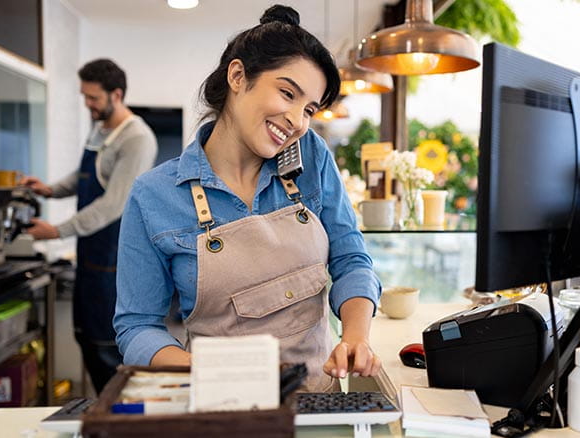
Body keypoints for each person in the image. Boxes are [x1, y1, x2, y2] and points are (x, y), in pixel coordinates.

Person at [113, 5, 382, 392]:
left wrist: (356, 336)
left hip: (314, 404)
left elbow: (350, 259)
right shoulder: (153, 195)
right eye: (287, 93)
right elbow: (136, 326)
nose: (297, 121)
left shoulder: (312, 157)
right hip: (220, 404)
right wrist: (206, 374)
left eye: (309, 109)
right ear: (238, 76)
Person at [21, 59, 158, 393]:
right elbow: (82, 177)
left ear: (116, 94)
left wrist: (56, 230)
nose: (88, 105)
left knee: (108, 349)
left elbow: (113, 204)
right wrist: (50, 189)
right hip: (90, 255)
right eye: (85, 97)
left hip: (115, 258)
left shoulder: (137, 138)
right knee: (85, 338)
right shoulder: (101, 129)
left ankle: (123, 419)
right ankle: (105, 413)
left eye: (93, 98)